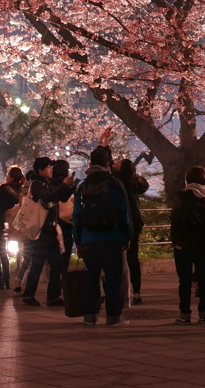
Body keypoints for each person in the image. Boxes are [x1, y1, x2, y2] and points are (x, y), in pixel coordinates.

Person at [73, 137, 133, 325]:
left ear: (90, 164)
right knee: (113, 279)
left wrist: (79, 241)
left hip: (89, 239)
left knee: (91, 279)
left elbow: (77, 217)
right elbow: (124, 212)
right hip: (112, 238)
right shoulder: (115, 184)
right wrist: (127, 235)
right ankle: (114, 316)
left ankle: (90, 316)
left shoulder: (82, 187)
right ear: (107, 163)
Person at [22, 157, 76, 306]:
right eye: (48, 168)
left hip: (50, 231)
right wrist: (63, 185)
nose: (51, 170)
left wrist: (70, 186)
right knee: (40, 263)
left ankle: (49, 296)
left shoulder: (47, 183)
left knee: (54, 264)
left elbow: (60, 197)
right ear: (40, 170)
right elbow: (48, 196)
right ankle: (35, 295)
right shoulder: (36, 184)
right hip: (41, 231)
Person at [170, 165, 205, 325]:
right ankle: (204, 314)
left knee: (184, 281)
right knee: (204, 280)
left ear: (187, 179)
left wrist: (175, 241)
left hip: (183, 245)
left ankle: (185, 314)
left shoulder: (181, 197)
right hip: (203, 246)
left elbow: (174, 221)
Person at [113, 157, 150, 305]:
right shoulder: (133, 182)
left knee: (118, 258)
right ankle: (136, 291)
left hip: (122, 223)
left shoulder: (117, 182)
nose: (116, 161)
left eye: (119, 162)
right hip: (135, 223)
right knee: (133, 258)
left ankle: (120, 290)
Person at [51, 158, 77, 270]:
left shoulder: (49, 183)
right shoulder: (68, 184)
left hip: (52, 227)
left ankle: (55, 283)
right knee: (64, 259)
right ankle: (63, 282)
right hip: (67, 226)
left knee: (53, 260)